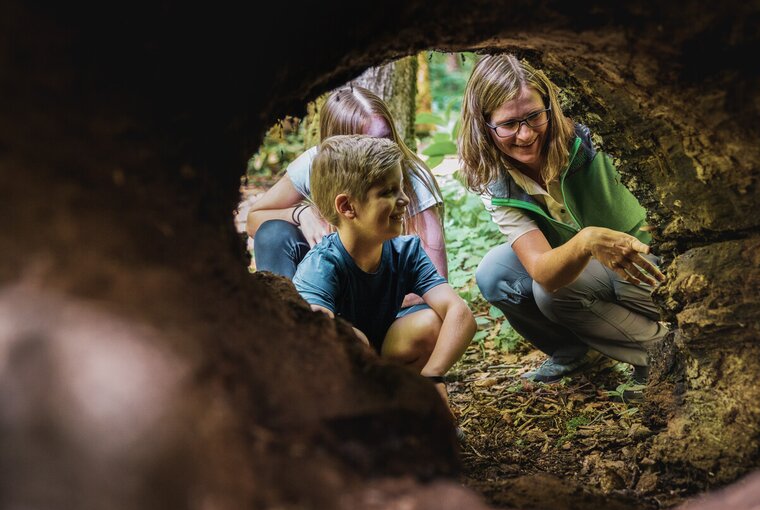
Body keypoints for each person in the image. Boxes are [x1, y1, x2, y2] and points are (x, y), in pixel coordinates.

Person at [457, 54, 667, 383]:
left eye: (534, 117)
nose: (525, 135)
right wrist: (586, 241)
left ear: (551, 106)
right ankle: (634, 352)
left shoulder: (593, 134)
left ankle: (667, 353)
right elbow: (544, 271)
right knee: (498, 273)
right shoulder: (496, 179)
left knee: (556, 289)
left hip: (645, 257)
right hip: (582, 267)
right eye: (509, 125)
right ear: (484, 125)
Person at [248, 85, 446, 363]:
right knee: (273, 233)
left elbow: (436, 280)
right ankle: (290, 342)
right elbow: (255, 218)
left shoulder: (407, 175)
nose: (377, 154)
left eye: (385, 140)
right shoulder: (315, 165)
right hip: (329, 297)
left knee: (425, 319)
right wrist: (301, 214)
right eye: (364, 143)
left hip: (391, 313)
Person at [293, 135, 476, 408]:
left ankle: (406, 403)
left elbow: (459, 314)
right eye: (387, 192)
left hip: (384, 355)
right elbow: (313, 343)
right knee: (349, 338)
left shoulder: (406, 252)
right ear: (347, 207)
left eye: (401, 188)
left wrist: (433, 377)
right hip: (338, 381)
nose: (403, 200)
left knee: (430, 324)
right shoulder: (321, 266)